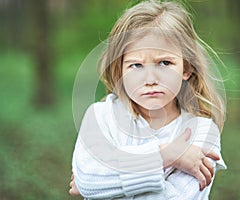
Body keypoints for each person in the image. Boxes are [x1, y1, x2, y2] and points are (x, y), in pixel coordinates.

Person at [69, 0, 227, 199]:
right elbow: (90, 180)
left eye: (164, 63)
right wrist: (166, 156)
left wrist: (106, 185)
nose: (150, 80)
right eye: (136, 65)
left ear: (186, 68)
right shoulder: (100, 116)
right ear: (120, 70)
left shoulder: (201, 132)